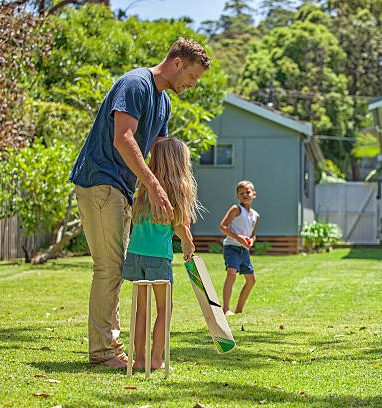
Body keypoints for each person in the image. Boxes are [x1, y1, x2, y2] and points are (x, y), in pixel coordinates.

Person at [69, 37, 210, 368]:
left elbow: (160, 156)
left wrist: (176, 196)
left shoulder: (164, 103)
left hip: (121, 188)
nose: (192, 85)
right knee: (109, 267)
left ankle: (114, 348)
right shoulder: (135, 84)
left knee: (114, 267)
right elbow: (123, 138)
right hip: (100, 181)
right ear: (177, 64)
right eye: (192, 76)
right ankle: (104, 352)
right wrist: (152, 185)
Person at [122, 137, 199, 369]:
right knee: (165, 308)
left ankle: (139, 360)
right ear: (178, 162)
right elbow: (177, 224)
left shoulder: (145, 187)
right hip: (158, 257)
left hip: (135, 254)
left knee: (141, 310)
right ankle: (156, 360)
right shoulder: (177, 188)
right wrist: (187, 243)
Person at [220, 180, 260, 316]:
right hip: (232, 247)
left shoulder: (255, 215)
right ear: (237, 196)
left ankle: (239, 310)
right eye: (241, 193)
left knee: (251, 280)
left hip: (244, 250)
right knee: (231, 273)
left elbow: (253, 235)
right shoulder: (236, 209)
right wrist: (239, 238)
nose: (245, 195)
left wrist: (251, 241)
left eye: (248, 192)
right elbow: (223, 226)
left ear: (254, 194)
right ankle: (225, 309)